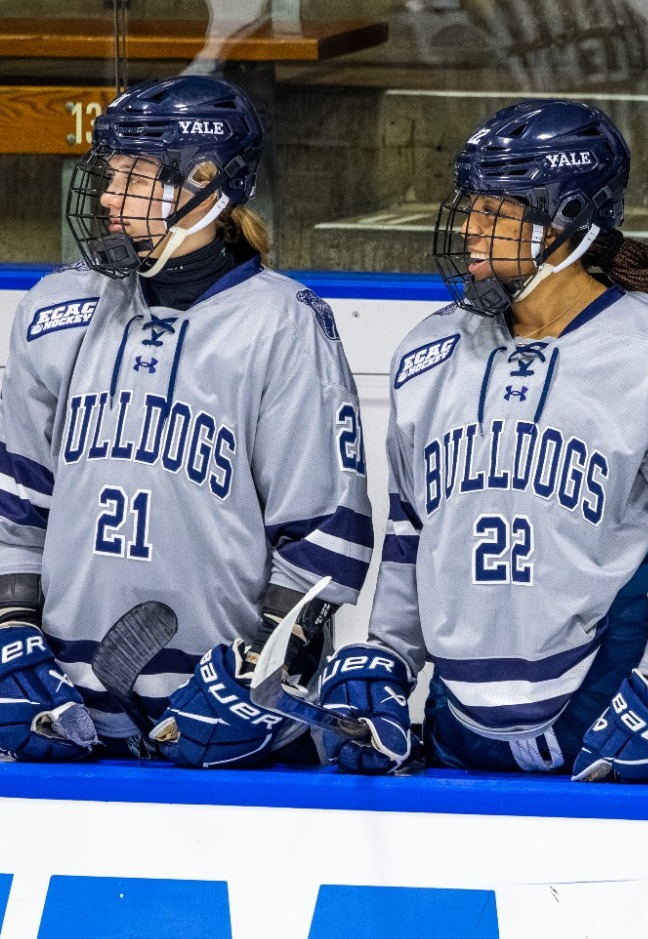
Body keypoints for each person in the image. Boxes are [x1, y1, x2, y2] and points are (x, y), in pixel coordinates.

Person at [317, 100, 648, 781]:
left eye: (495, 212)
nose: (470, 230)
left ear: (566, 217)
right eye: (470, 207)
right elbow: (410, 534)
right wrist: (387, 659)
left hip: (612, 708)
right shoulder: (427, 351)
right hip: (457, 716)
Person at [0, 75, 373, 767]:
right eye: (109, 174)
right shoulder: (56, 309)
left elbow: (326, 533)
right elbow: (15, 507)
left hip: (220, 713)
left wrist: (266, 662)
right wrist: (10, 634)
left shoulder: (282, 324)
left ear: (206, 183)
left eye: (133, 176)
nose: (108, 195)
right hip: (63, 715)